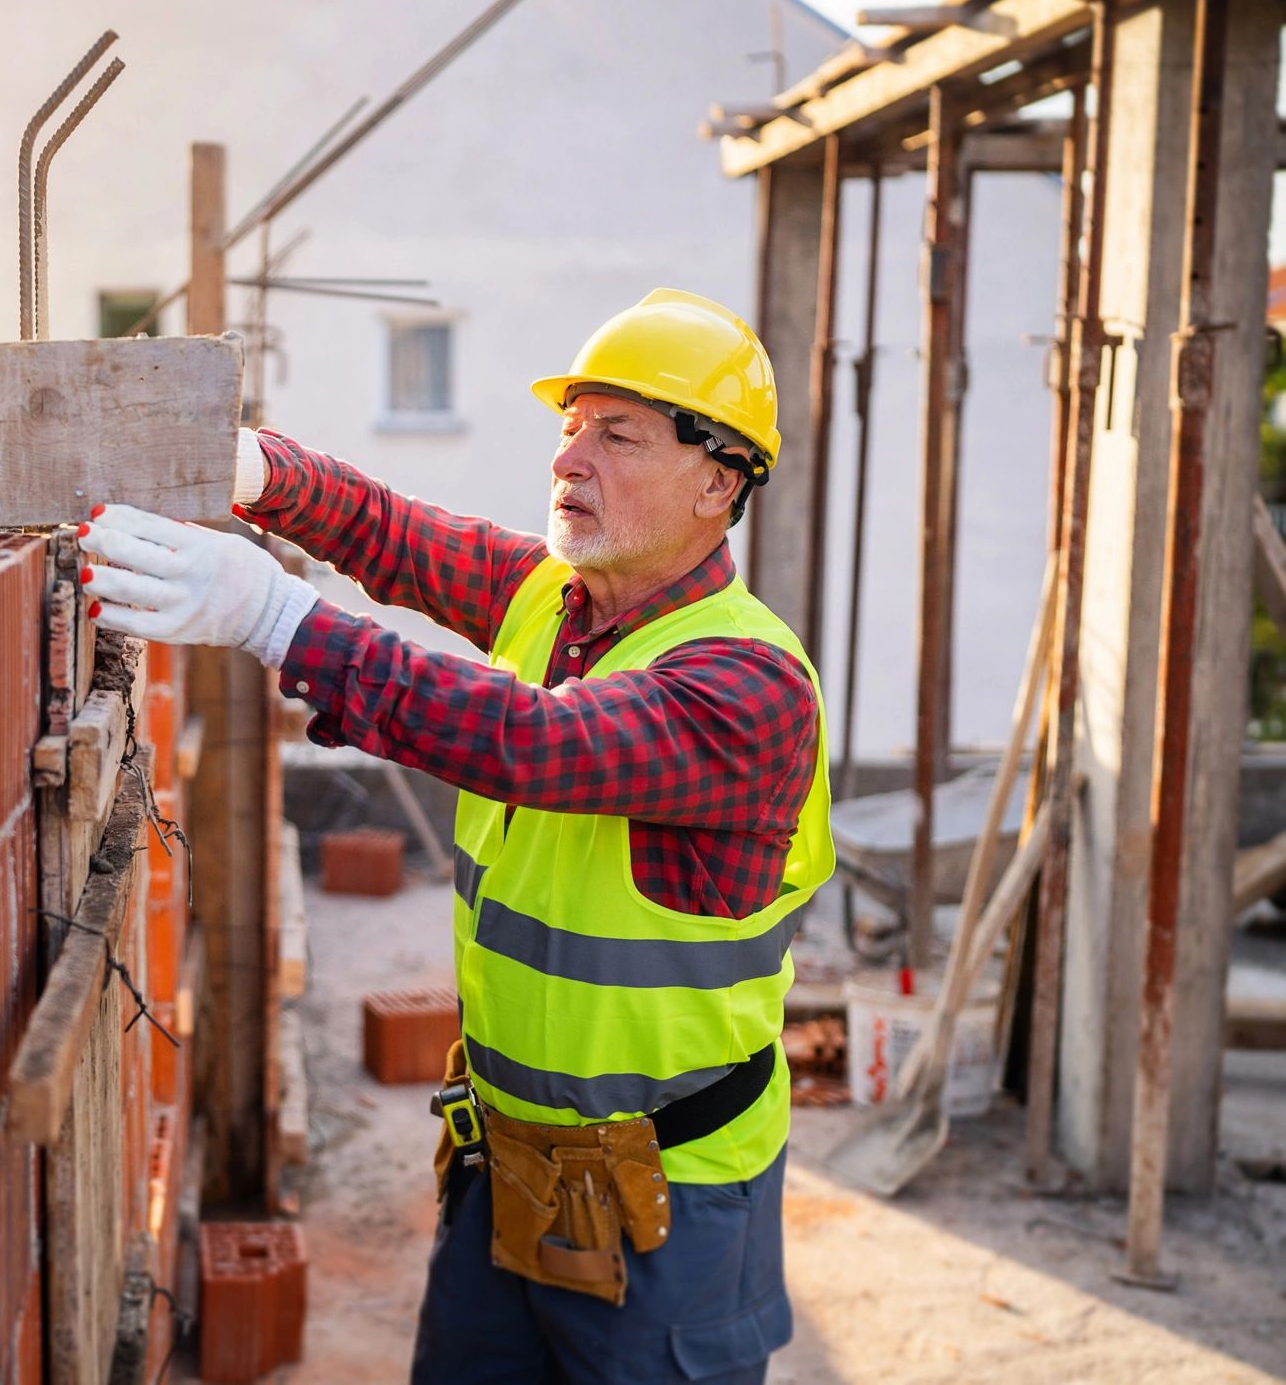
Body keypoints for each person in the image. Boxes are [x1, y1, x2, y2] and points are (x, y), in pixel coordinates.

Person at [78, 288, 832, 1383]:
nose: (571, 458)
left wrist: (273, 616)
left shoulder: (746, 682)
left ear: (718, 481)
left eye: (616, 434)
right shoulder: (556, 601)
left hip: (668, 1205)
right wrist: (253, 469)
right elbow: (389, 531)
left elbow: (530, 743)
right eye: (569, 428)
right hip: (505, 1171)